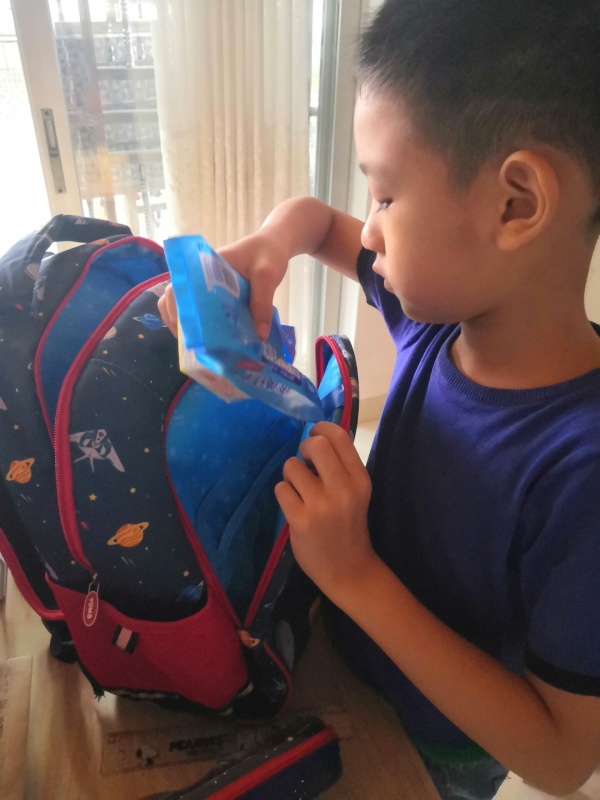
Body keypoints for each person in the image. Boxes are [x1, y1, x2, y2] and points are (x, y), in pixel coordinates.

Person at [159, 1, 600, 797]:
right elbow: (318, 223)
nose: (367, 232)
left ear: (516, 205)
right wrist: (270, 244)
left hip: (435, 748)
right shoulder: (445, 320)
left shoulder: (584, 471)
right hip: (342, 651)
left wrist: (355, 574)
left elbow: (563, 758)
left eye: (387, 198)